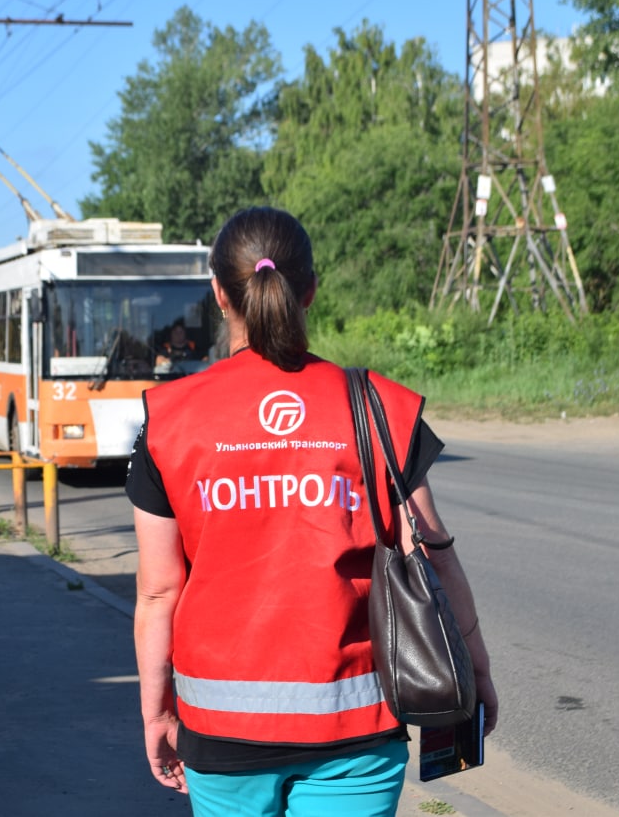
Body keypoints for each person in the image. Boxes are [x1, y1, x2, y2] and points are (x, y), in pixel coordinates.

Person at [128, 207, 498, 816]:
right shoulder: (379, 405)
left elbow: (158, 593)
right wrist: (474, 672)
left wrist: (157, 712)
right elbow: (429, 555)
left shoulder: (169, 420)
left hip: (221, 730)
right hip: (356, 728)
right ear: (311, 290)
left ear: (220, 294)